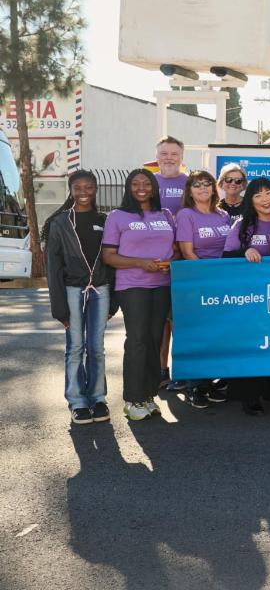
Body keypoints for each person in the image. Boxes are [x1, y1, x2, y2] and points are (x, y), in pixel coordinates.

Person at [101, 169, 177, 422]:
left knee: (155, 340)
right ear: (128, 187)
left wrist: (169, 262)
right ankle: (133, 399)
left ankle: (148, 396)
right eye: (136, 183)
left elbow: (175, 249)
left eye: (147, 183)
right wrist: (140, 263)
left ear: (154, 188)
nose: (142, 187)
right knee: (137, 340)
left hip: (162, 284)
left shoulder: (165, 215)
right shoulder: (117, 216)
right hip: (132, 285)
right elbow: (109, 256)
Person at [45, 170, 115, 425]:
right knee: (75, 348)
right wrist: (59, 308)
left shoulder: (105, 219)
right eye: (78, 187)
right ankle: (77, 401)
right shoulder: (60, 222)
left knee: (96, 348)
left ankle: (97, 398)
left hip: (101, 291)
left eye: (89, 187)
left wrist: (114, 300)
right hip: (72, 292)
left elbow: (112, 262)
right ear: (71, 190)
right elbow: (53, 268)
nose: (83, 192)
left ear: (95, 189)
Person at [222, 178, 270, 415]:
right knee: (255, 343)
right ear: (250, 201)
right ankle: (251, 397)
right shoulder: (242, 225)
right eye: (258, 195)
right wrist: (244, 251)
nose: (265, 199)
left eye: (269, 193)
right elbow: (226, 257)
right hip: (251, 297)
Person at [174, 169, 232, 409]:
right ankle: (195, 386)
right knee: (199, 335)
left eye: (207, 183)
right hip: (199, 283)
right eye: (196, 185)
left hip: (224, 284)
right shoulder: (186, 215)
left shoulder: (223, 215)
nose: (202, 188)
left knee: (219, 335)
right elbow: (188, 252)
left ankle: (210, 383)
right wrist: (209, 278)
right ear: (189, 191)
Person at [152, 135, 186, 392]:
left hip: (183, 262)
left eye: (173, 153)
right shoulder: (148, 184)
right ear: (157, 156)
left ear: (181, 157)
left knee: (181, 321)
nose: (169, 158)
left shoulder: (191, 183)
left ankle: (183, 370)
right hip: (156, 262)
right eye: (164, 153)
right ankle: (161, 371)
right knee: (161, 323)